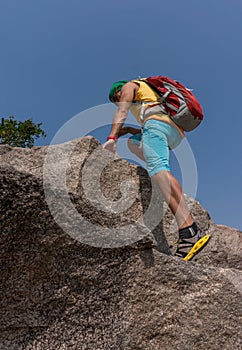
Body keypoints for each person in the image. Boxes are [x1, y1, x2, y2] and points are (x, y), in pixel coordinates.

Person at [103, 77, 207, 260]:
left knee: (158, 169)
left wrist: (112, 138)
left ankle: (189, 232)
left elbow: (122, 111)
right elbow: (153, 124)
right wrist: (129, 130)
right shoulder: (148, 92)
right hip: (174, 133)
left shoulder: (129, 86)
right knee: (134, 143)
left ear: (117, 92)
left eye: (115, 98)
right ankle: (159, 174)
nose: (117, 101)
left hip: (156, 125)